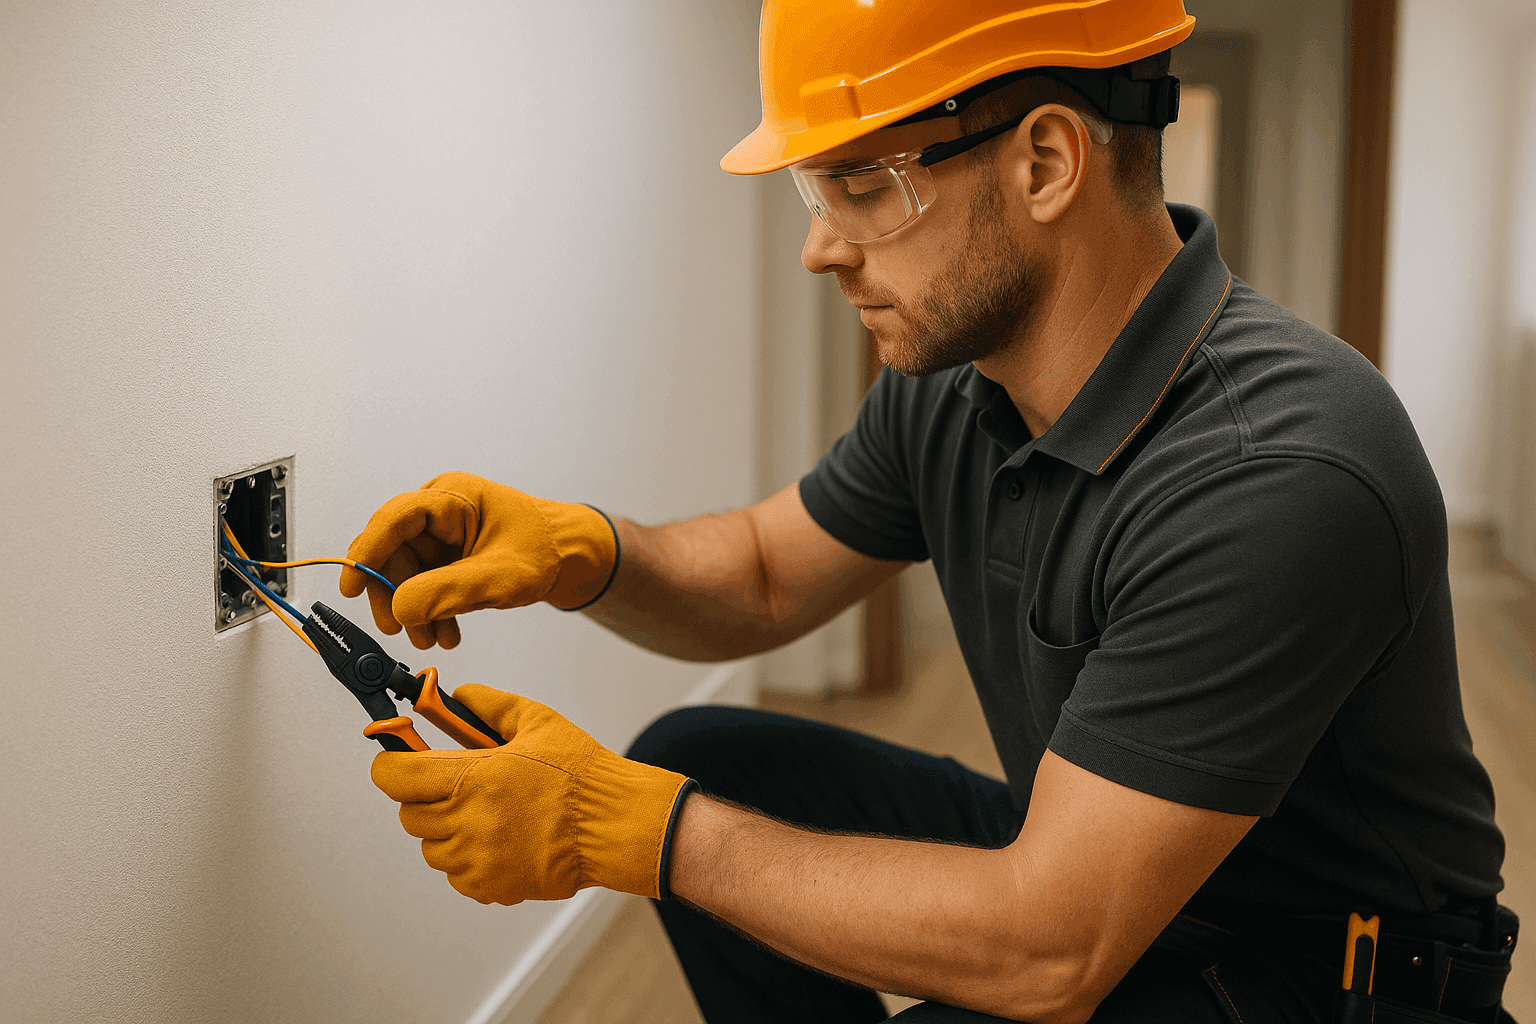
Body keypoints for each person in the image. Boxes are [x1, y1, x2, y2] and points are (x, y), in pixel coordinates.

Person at [345, 2, 1519, 1021]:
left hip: (1318, 974)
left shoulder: (1278, 469)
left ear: (1047, 163)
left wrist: (637, 831)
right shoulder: (963, 388)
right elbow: (762, 572)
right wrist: (585, 552)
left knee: (695, 822)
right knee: (704, 758)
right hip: (1098, 870)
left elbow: (1052, 947)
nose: (819, 247)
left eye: (862, 184)